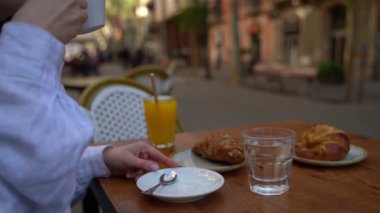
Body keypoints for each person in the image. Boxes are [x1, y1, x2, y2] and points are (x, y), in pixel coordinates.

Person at [0, 0, 178, 212]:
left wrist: (99, 161)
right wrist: (31, 41)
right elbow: (40, 193)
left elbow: (20, 171)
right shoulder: (22, 43)